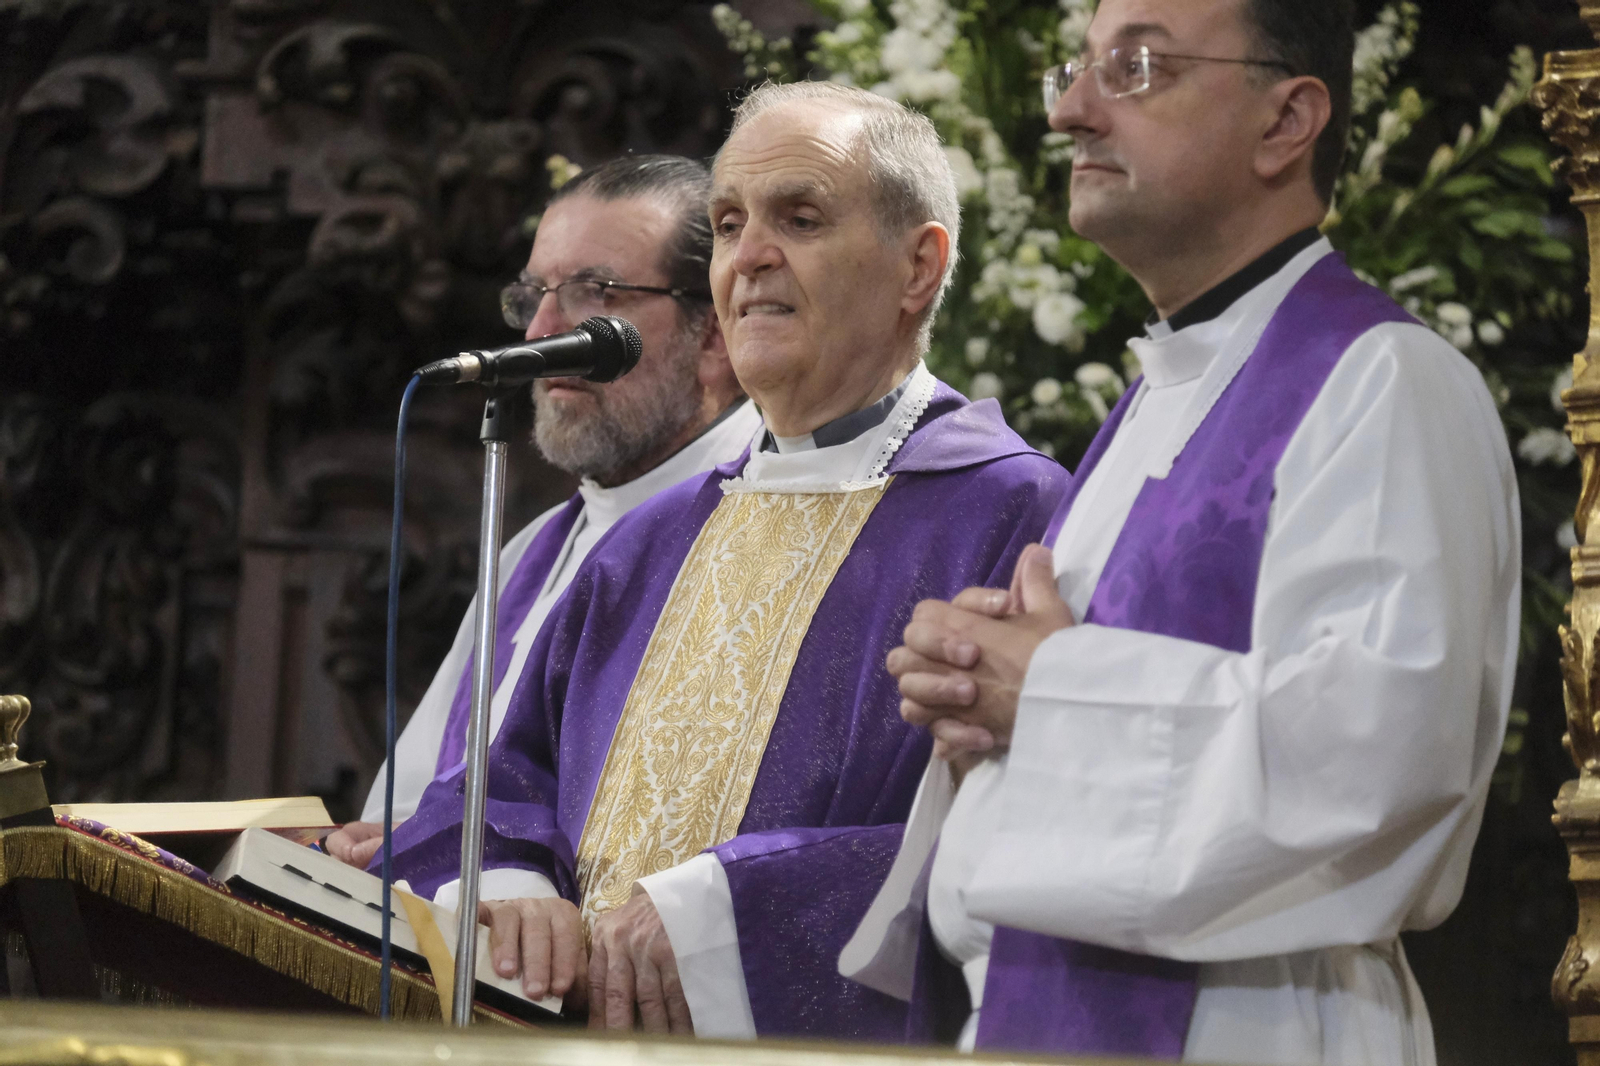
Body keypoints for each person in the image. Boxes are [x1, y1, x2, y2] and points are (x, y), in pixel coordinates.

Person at [841, 1, 1519, 1064]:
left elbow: (1382, 758)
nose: (1069, 109)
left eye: (1138, 67)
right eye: (1077, 69)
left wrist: (1049, 690)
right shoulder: (1158, 397)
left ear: (1286, 120)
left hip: (1260, 1020)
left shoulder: (1384, 381)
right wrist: (977, 705)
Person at [385, 82, 1071, 1040]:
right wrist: (513, 886)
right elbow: (503, 779)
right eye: (730, 222)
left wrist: (724, 911)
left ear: (919, 266)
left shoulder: (1015, 515)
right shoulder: (650, 538)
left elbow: (1032, 827)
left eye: (800, 218)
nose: (749, 257)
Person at [324, 155, 761, 868]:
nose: (541, 333)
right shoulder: (533, 555)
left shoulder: (761, 539)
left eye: (595, 293)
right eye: (533, 297)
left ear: (711, 335)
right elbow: (406, 810)